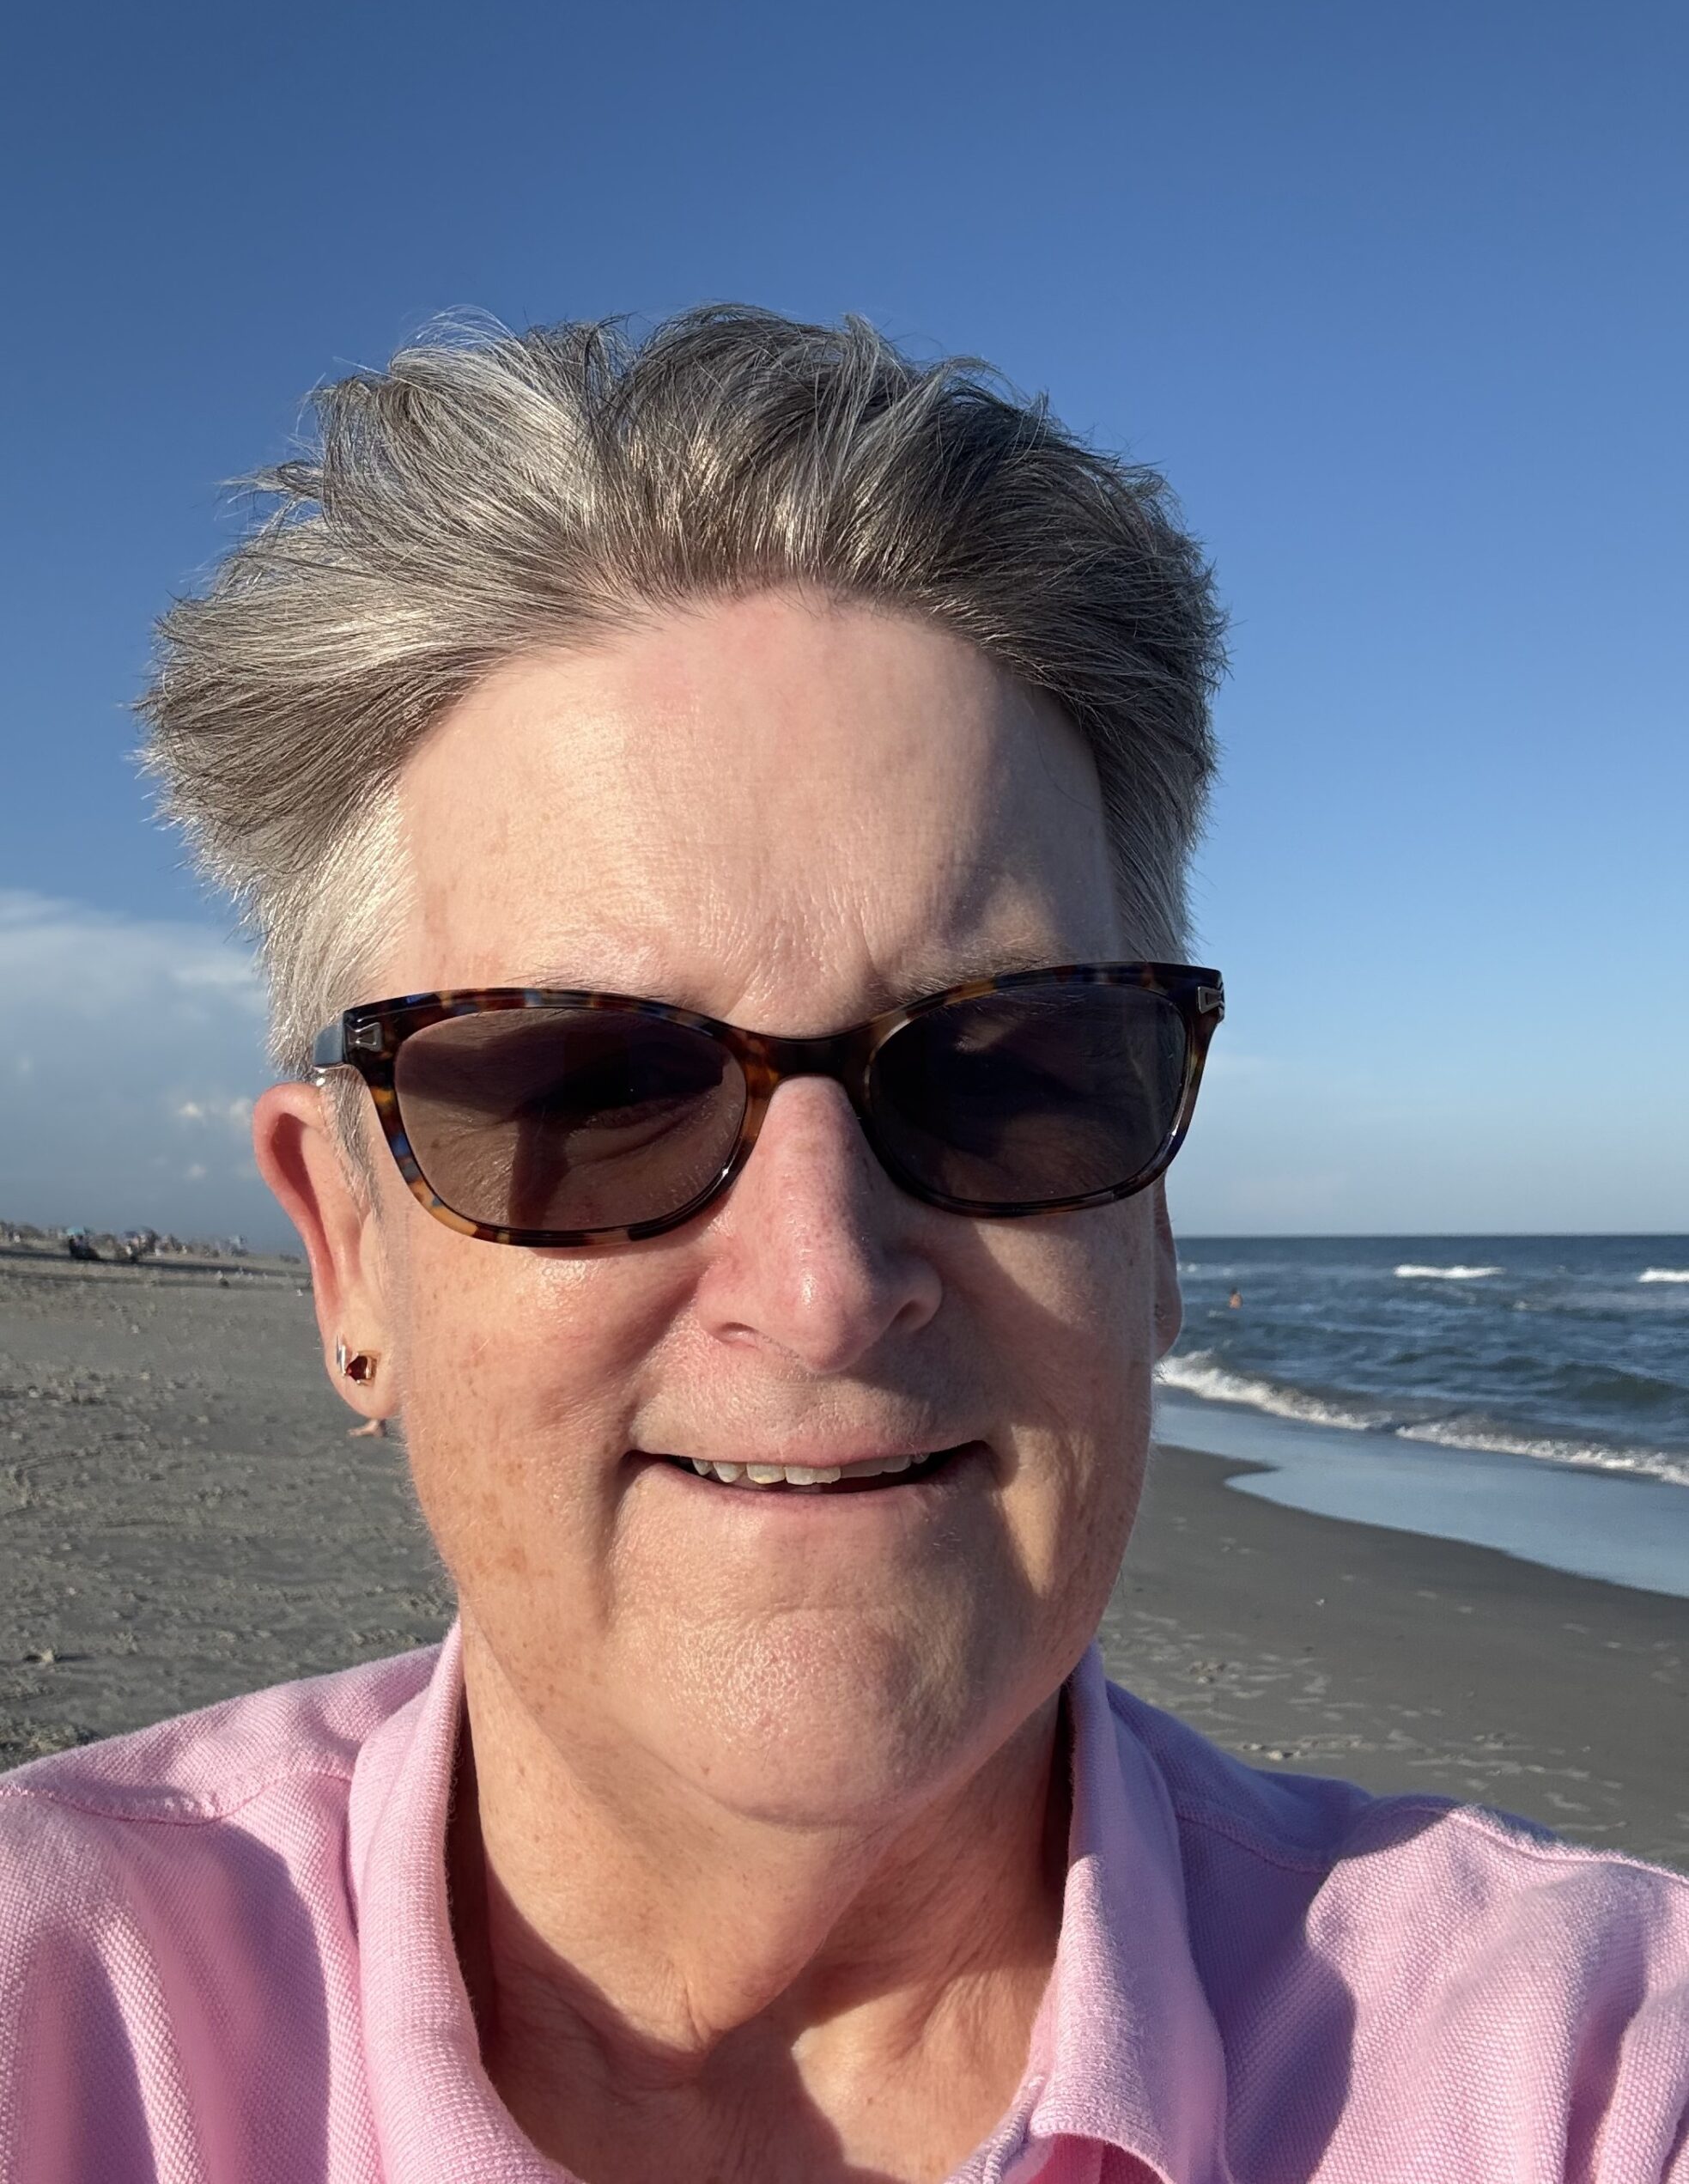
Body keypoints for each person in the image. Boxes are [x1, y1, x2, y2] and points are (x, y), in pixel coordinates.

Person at [0, 310, 1682, 2183]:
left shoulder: (1589, 2076)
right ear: (348, 1255)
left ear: (1155, 1225)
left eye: (1012, 1069)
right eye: (589, 1082)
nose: (820, 1277)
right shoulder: (61, 2018)